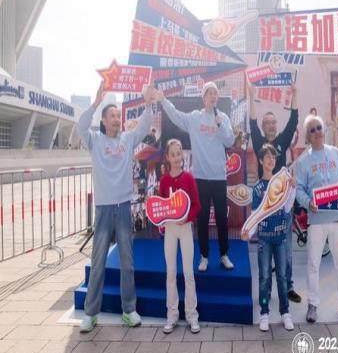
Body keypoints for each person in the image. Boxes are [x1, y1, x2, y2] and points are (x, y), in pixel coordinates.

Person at [77, 81, 154, 332]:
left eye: (118, 116)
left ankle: (129, 310)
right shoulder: (95, 141)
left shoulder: (127, 139)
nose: (116, 120)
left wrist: (148, 103)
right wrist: (96, 103)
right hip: (103, 209)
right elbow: (80, 126)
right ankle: (90, 313)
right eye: (111, 116)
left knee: (127, 262)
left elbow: (143, 127)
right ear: (103, 121)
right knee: (98, 261)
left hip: (123, 208)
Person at [155, 82, 235, 271]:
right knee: (202, 217)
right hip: (200, 176)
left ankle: (224, 254)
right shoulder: (195, 118)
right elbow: (176, 116)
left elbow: (230, 141)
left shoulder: (223, 118)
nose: (213, 96)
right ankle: (204, 256)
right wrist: (164, 100)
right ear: (203, 97)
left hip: (219, 176)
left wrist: (221, 126)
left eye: (215, 93)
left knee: (222, 218)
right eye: (209, 93)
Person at [295, 114, 338, 323]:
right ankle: (312, 305)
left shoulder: (335, 153)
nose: (317, 132)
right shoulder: (303, 161)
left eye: (318, 127)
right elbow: (299, 189)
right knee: (313, 264)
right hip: (316, 220)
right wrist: (307, 203)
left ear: (324, 130)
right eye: (312, 130)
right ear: (307, 136)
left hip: (337, 218)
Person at [248, 81, 301, 303]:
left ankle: (288, 287)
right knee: (265, 250)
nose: (270, 125)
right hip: (264, 206)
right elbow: (251, 122)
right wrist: (251, 96)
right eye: (267, 123)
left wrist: (294, 93)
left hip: (283, 205)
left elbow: (294, 119)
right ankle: (266, 289)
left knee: (285, 249)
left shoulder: (282, 141)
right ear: (263, 126)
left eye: (273, 122)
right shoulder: (259, 142)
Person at [243, 144, 295, 332]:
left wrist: (293, 189)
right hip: (264, 239)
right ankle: (264, 312)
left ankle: (285, 312)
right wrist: (248, 231)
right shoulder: (257, 188)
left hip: (280, 238)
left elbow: (287, 208)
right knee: (264, 277)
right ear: (260, 161)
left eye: (273, 157)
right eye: (267, 157)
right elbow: (255, 214)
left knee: (282, 277)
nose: (271, 160)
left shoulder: (281, 183)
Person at [159, 139, 201, 334]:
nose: (177, 158)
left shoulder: (189, 178)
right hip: (170, 229)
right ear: (167, 157)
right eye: (173, 154)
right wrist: (161, 221)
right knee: (170, 272)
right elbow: (161, 206)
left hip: (185, 229)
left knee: (188, 273)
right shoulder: (164, 181)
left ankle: (192, 315)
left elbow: (197, 206)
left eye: (179, 153)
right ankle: (172, 314)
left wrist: (188, 218)